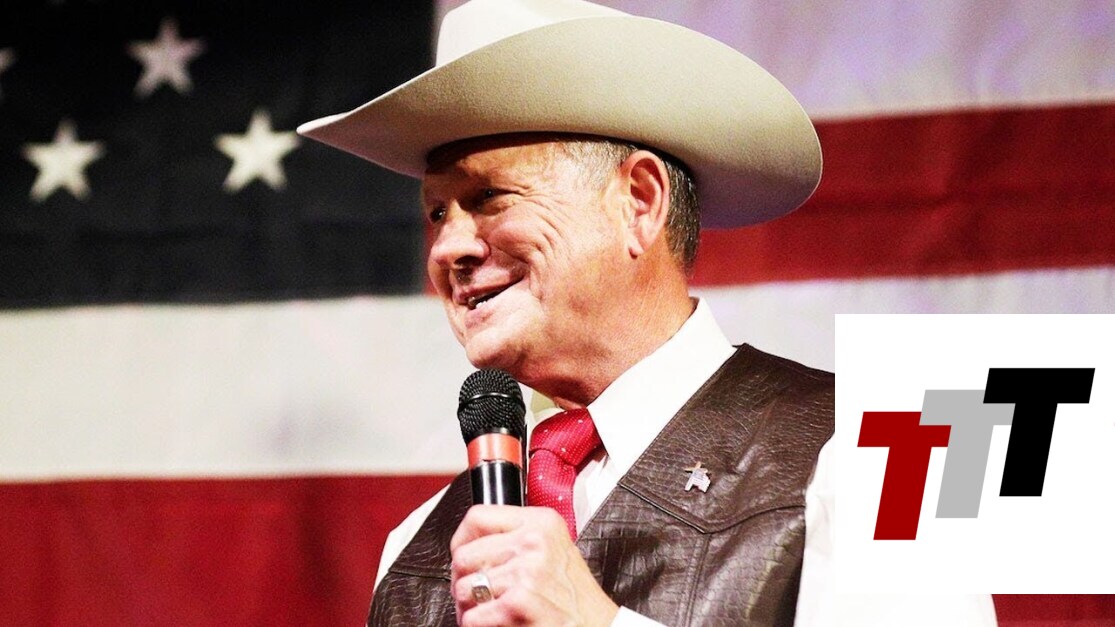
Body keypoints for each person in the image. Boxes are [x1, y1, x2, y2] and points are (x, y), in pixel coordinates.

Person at [298, 1, 999, 625]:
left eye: (489, 198)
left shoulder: (885, 450)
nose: (448, 247)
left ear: (638, 202)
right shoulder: (417, 551)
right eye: (435, 213)